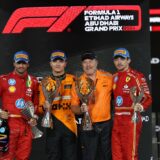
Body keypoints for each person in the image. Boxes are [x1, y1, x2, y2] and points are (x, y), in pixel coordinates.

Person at [71, 52, 113, 160]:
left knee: (106, 156)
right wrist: (80, 109)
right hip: (88, 125)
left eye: (90, 61)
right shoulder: (78, 82)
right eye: (85, 62)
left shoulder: (108, 78)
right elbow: (73, 106)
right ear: (82, 64)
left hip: (106, 125)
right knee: (89, 156)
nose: (88, 65)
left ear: (96, 62)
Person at [112, 48, 152, 160]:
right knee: (117, 156)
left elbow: (148, 97)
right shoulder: (114, 77)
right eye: (116, 59)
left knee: (130, 155)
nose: (119, 62)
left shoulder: (136, 76)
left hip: (131, 120)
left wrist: (141, 106)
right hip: (117, 121)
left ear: (128, 60)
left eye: (122, 59)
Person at [38, 50, 77, 160]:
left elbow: (79, 101)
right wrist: (45, 107)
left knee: (70, 157)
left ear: (65, 63)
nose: (58, 64)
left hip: (70, 126)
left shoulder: (73, 79)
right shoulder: (45, 82)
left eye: (61, 61)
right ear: (50, 63)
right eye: (55, 61)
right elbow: (40, 109)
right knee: (53, 157)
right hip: (52, 126)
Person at [0, 51, 39, 160]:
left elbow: (36, 104)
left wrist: (34, 117)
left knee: (23, 157)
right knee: (5, 157)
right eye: (18, 63)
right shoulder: (4, 79)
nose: (21, 66)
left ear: (28, 64)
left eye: (24, 63)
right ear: (14, 63)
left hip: (26, 125)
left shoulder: (34, 81)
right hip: (8, 125)